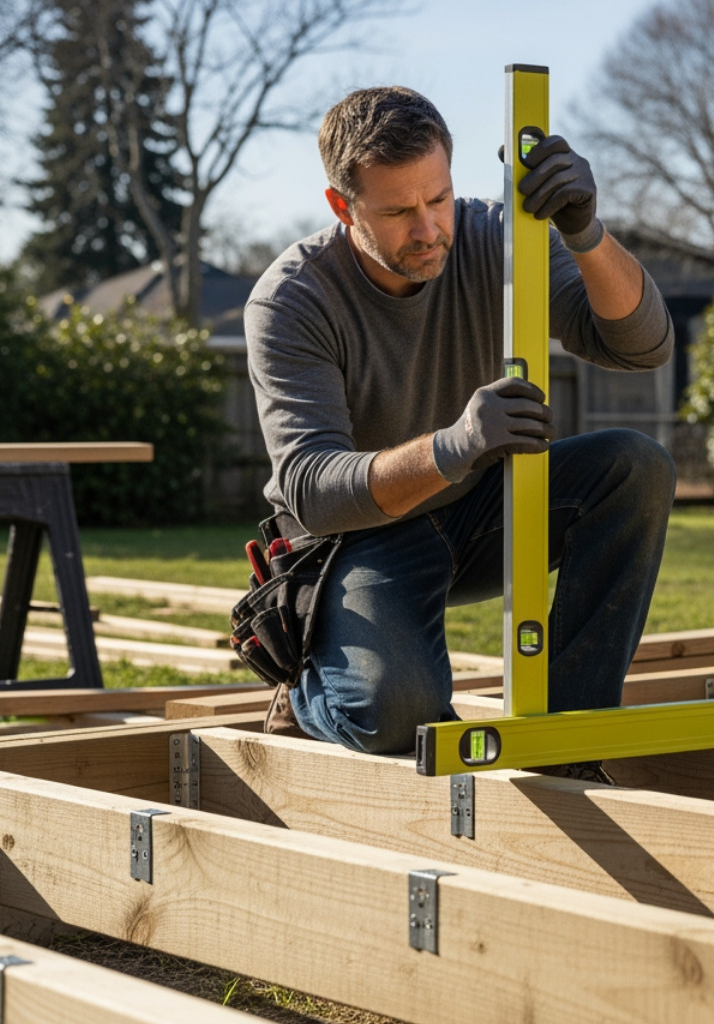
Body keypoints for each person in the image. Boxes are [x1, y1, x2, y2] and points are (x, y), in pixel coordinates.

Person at [244, 86, 676, 780]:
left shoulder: (492, 238)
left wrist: (586, 233)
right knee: (397, 713)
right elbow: (312, 489)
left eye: (437, 198)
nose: (428, 228)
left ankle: (569, 744)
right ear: (341, 206)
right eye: (397, 212)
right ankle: (306, 691)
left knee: (635, 467)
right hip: (357, 542)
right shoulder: (293, 299)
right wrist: (454, 445)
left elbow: (641, 345)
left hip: (477, 516)